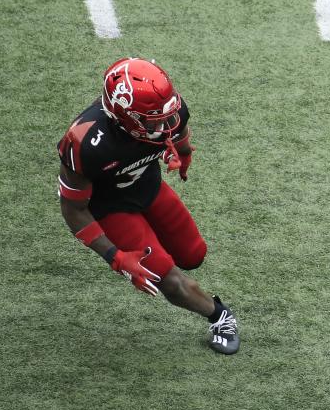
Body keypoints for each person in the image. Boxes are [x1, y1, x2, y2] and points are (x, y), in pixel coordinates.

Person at [57, 57, 240, 354]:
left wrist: (182, 153)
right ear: (125, 118)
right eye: (155, 118)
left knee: (194, 255)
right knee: (166, 278)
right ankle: (219, 315)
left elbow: (177, 130)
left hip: (148, 187)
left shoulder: (169, 111)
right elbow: (73, 209)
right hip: (110, 207)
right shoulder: (85, 143)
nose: (166, 122)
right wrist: (115, 256)